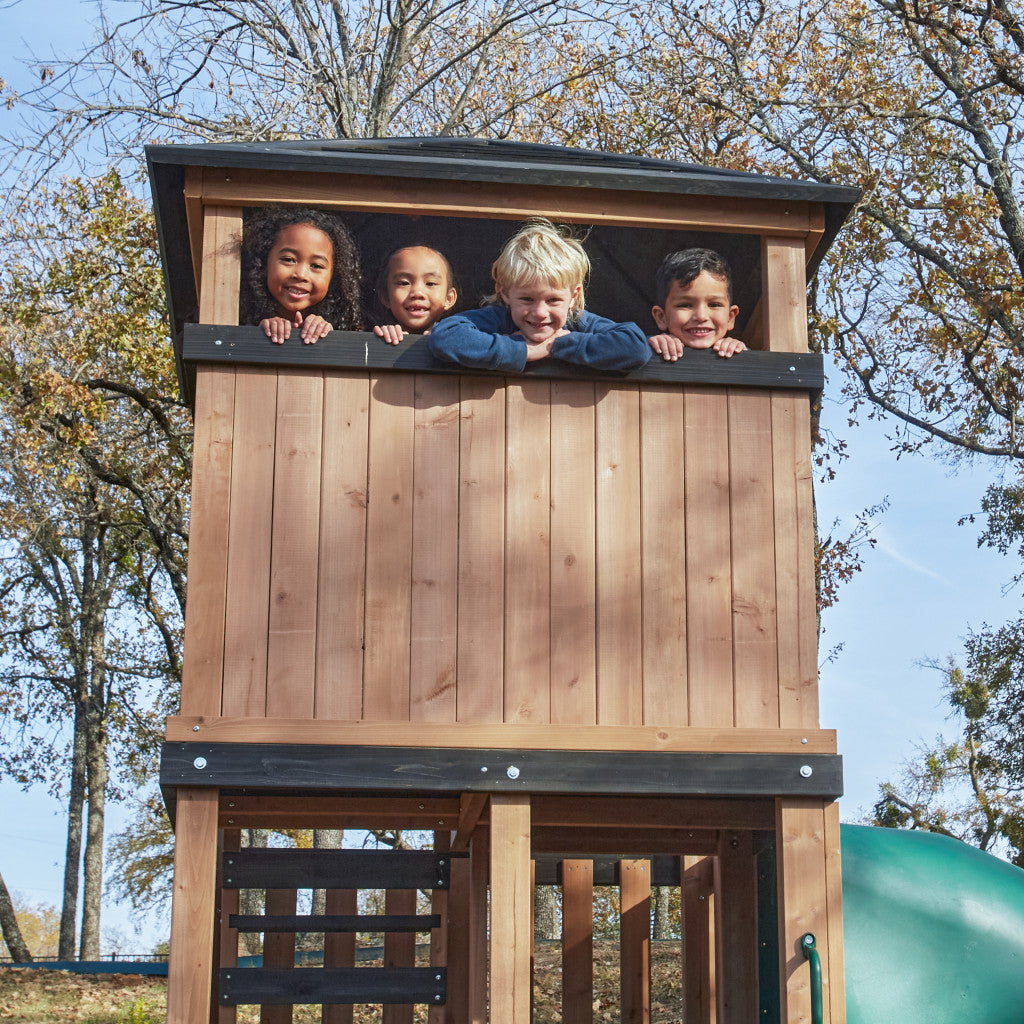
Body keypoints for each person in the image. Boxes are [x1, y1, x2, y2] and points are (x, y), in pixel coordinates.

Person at [428, 219, 650, 371]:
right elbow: (447, 337)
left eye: (553, 300)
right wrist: (521, 349)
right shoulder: (499, 317)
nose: (540, 312)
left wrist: (558, 345)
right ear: (504, 293)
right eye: (527, 299)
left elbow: (634, 346)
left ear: (573, 297)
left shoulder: (577, 321)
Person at [240, 206, 362, 344]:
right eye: (289, 259)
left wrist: (327, 336)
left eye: (316, 266)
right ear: (263, 263)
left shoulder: (336, 327)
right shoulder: (239, 319)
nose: (301, 275)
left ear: (333, 277)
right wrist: (259, 333)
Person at [649, 248, 747, 360]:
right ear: (661, 317)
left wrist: (743, 355)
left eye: (714, 305)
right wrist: (651, 347)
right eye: (685, 305)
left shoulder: (736, 352)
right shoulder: (650, 351)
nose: (701, 316)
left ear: (730, 317)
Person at [373, 245, 458, 344]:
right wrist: (382, 341)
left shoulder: (457, 339)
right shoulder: (383, 337)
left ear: (449, 298)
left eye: (430, 283)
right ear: (386, 296)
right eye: (404, 283)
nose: (417, 293)